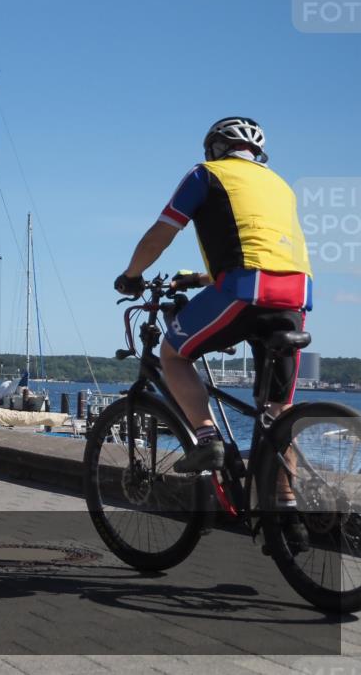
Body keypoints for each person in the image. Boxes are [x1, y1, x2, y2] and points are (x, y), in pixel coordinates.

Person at [115, 117, 312, 543]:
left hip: (244, 291)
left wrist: (132, 274)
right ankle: (288, 521)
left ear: (215, 148)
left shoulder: (206, 174)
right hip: (295, 298)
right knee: (277, 416)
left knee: (172, 354)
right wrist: (203, 279)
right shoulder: (281, 185)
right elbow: (263, 249)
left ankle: (207, 437)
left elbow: (161, 234)